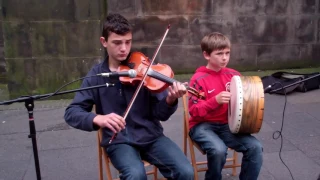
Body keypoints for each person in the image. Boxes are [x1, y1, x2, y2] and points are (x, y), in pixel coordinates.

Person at [64, 13, 194, 180]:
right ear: (104, 42)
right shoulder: (97, 75)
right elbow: (72, 112)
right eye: (117, 43)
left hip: (150, 136)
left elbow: (160, 114)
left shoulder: (143, 68)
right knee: (136, 175)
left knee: (185, 172)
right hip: (120, 141)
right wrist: (99, 119)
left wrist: (170, 100)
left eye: (128, 42)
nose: (124, 48)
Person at [188, 32, 263, 180]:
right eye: (219, 53)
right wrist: (215, 101)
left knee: (255, 148)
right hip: (202, 126)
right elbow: (194, 111)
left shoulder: (234, 75)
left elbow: (245, 101)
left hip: (228, 126)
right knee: (218, 150)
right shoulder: (198, 79)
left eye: (227, 53)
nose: (225, 58)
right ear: (207, 55)